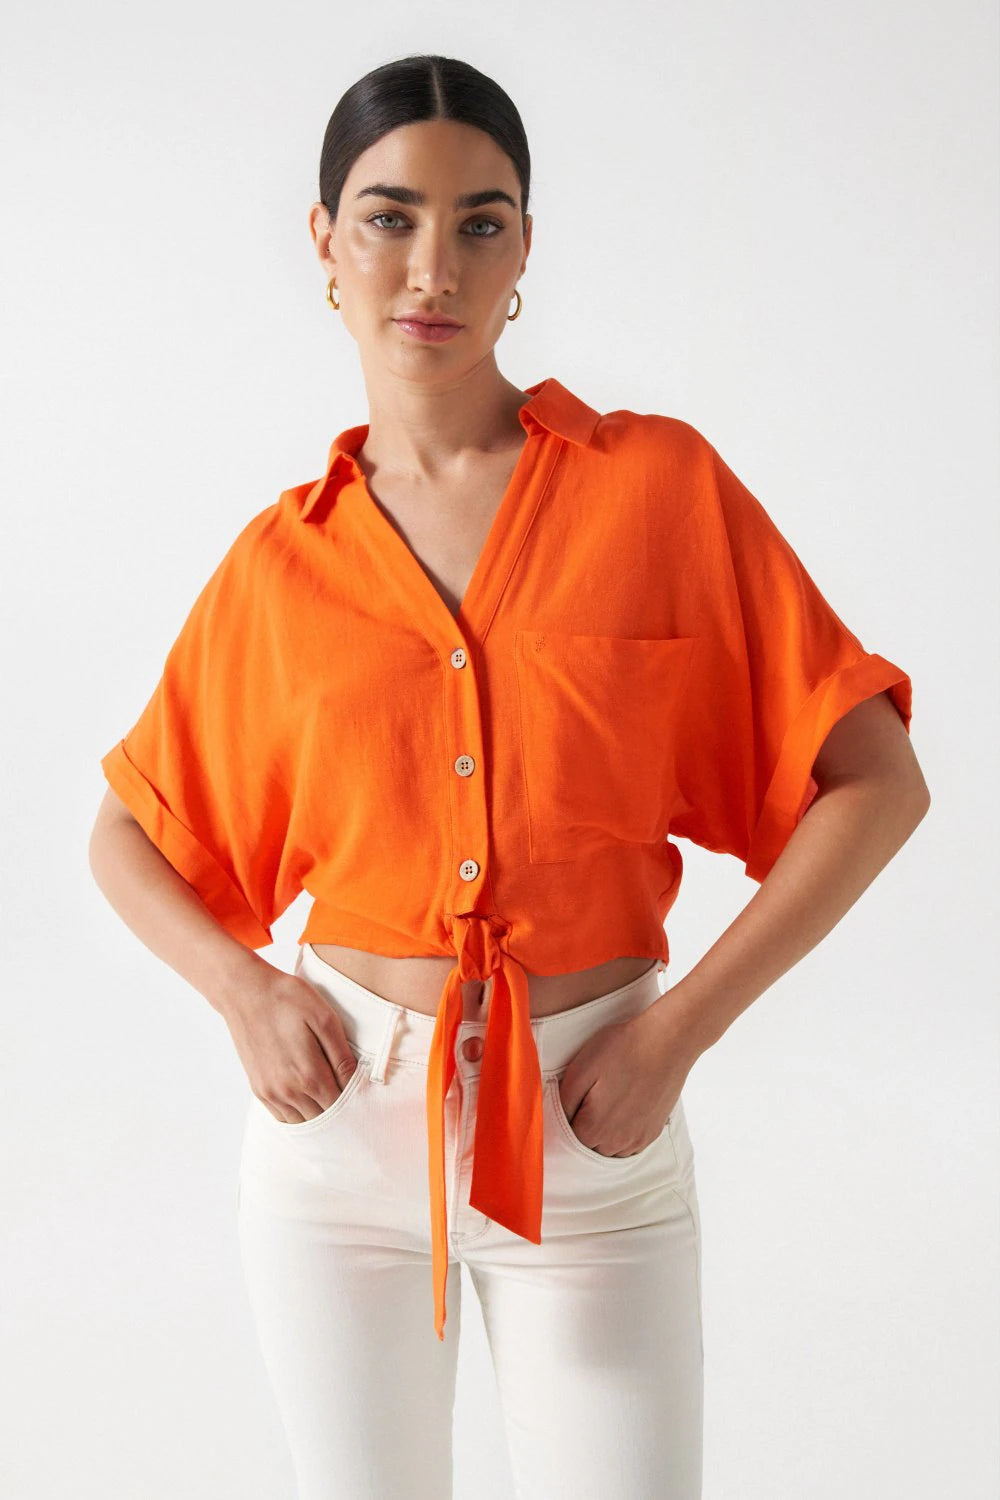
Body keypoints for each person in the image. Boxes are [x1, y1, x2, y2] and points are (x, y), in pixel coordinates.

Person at [89, 52, 930, 1500]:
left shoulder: (656, 489)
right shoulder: (283, 564)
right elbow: (126, 833)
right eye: (389, 217)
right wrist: (245, 994)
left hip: (598, 1124)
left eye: (481, 222)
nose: (433, 267)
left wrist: (677, 1036)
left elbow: (878, 781)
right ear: (324, 241)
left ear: (525, 248)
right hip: (339, 1146)